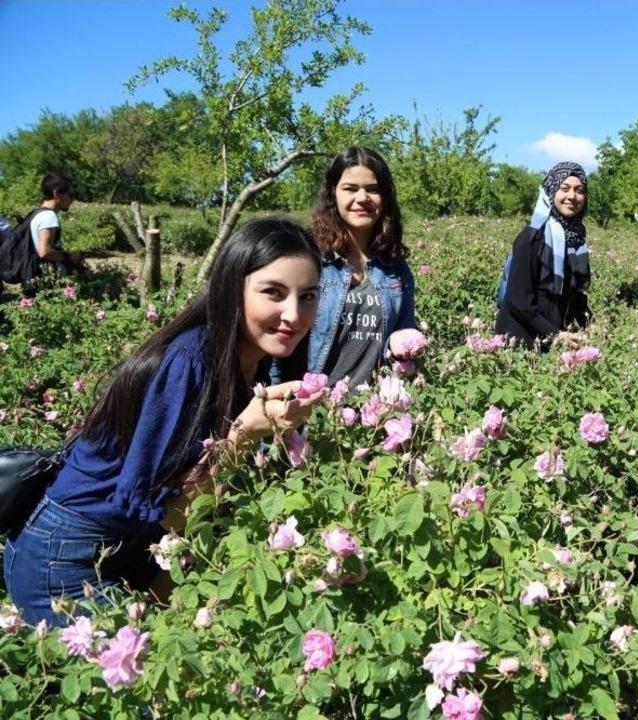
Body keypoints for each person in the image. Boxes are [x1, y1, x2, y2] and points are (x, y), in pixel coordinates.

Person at [3, 217, 324, 626]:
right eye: (273, 293)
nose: (294, 315)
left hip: (129, 547)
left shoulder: (254, 363)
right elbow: (170, 514)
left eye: (308, 296)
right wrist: (245, 434)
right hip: (70, 556)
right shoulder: (191, 360)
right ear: (231, 289)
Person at [305, 147, 419, 389]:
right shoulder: (311, 259)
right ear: (333, 193)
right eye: (350, 188)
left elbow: (403, 339)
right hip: (315, 408)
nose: (362, 198)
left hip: (374, 411)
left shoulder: (395, 267)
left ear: (385, 197)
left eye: (373, 189)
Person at [495, 161, 591, 349]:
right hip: (520, 344)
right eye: (564, 188)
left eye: (579, 190)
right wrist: (555, 335)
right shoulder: (532, 238)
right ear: (551, 191)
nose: (572, 196)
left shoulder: (577, 242)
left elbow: (575, 297)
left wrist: (593, 326)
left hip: (554, 341)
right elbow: (518, 301)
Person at [30, 173, 90, 278]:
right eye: (70, 195)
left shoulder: (37, 213)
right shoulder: (49, 217)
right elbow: (44, 252)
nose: (73, 199)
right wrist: (71, 256)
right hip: (51, 278)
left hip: (40, 276)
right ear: (56, 193)